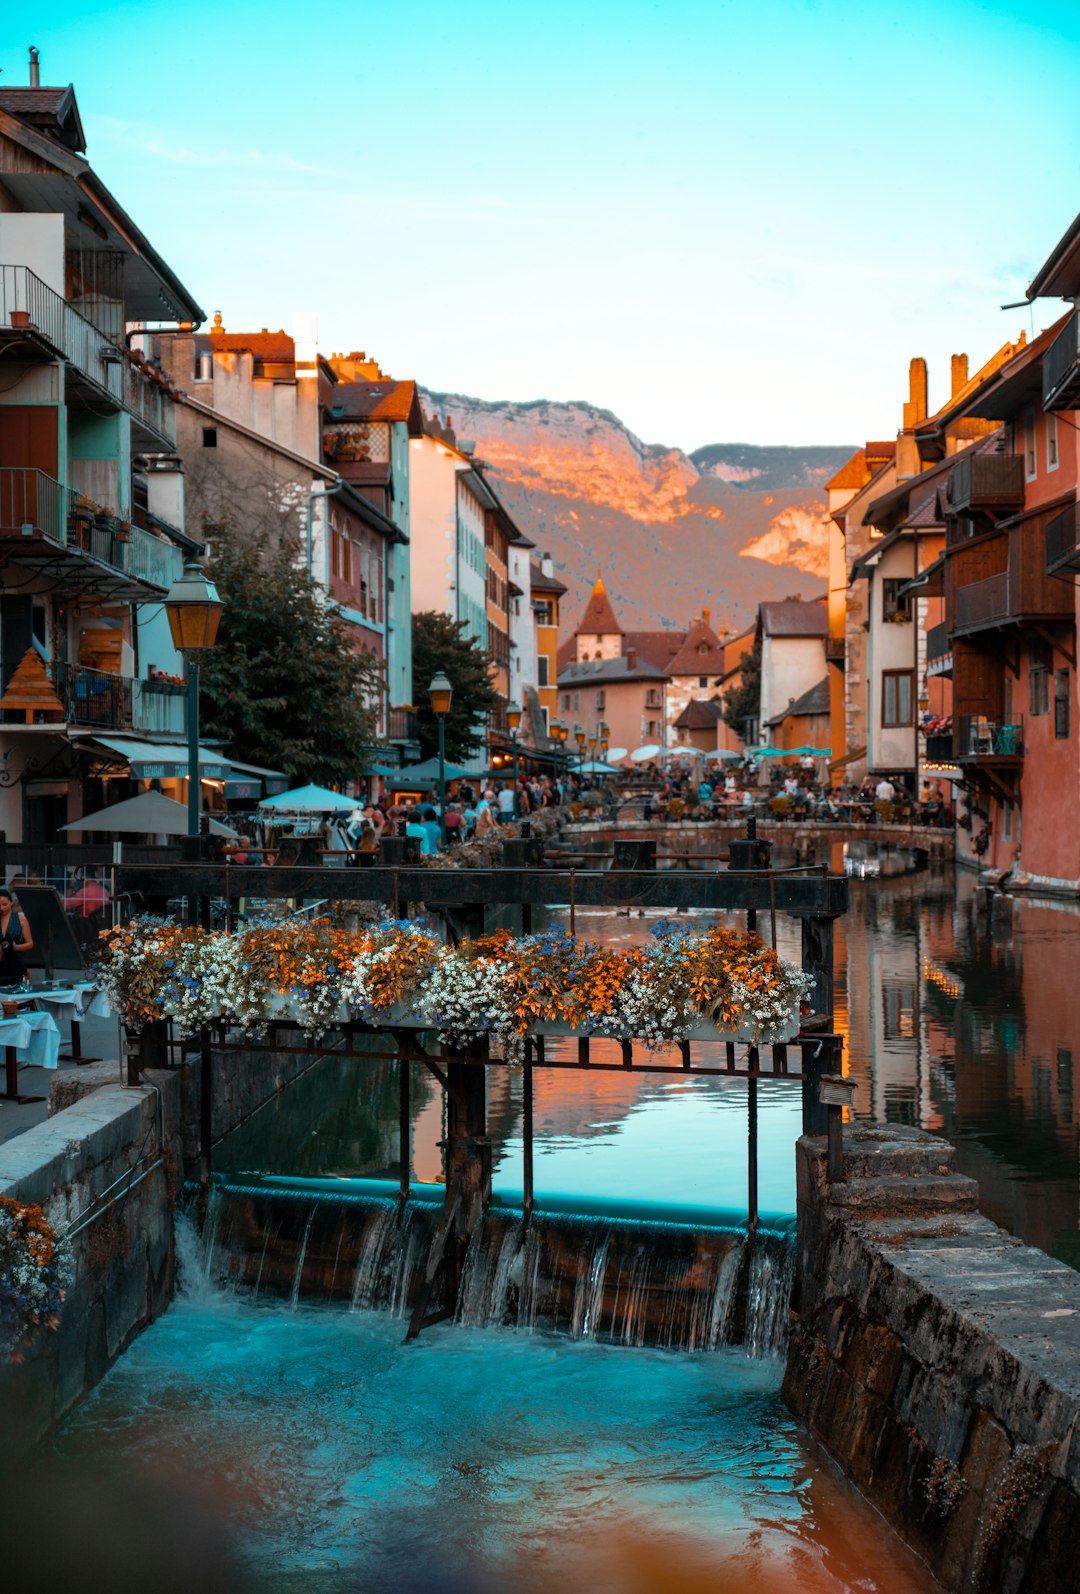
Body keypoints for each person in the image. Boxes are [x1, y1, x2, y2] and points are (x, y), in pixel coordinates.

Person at [0, 889, 33, 984]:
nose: (1, 908)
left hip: (16, 965)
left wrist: (16, 947)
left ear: (11, 903)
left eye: (4, 904)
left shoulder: (20, 919)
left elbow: (30, 944)